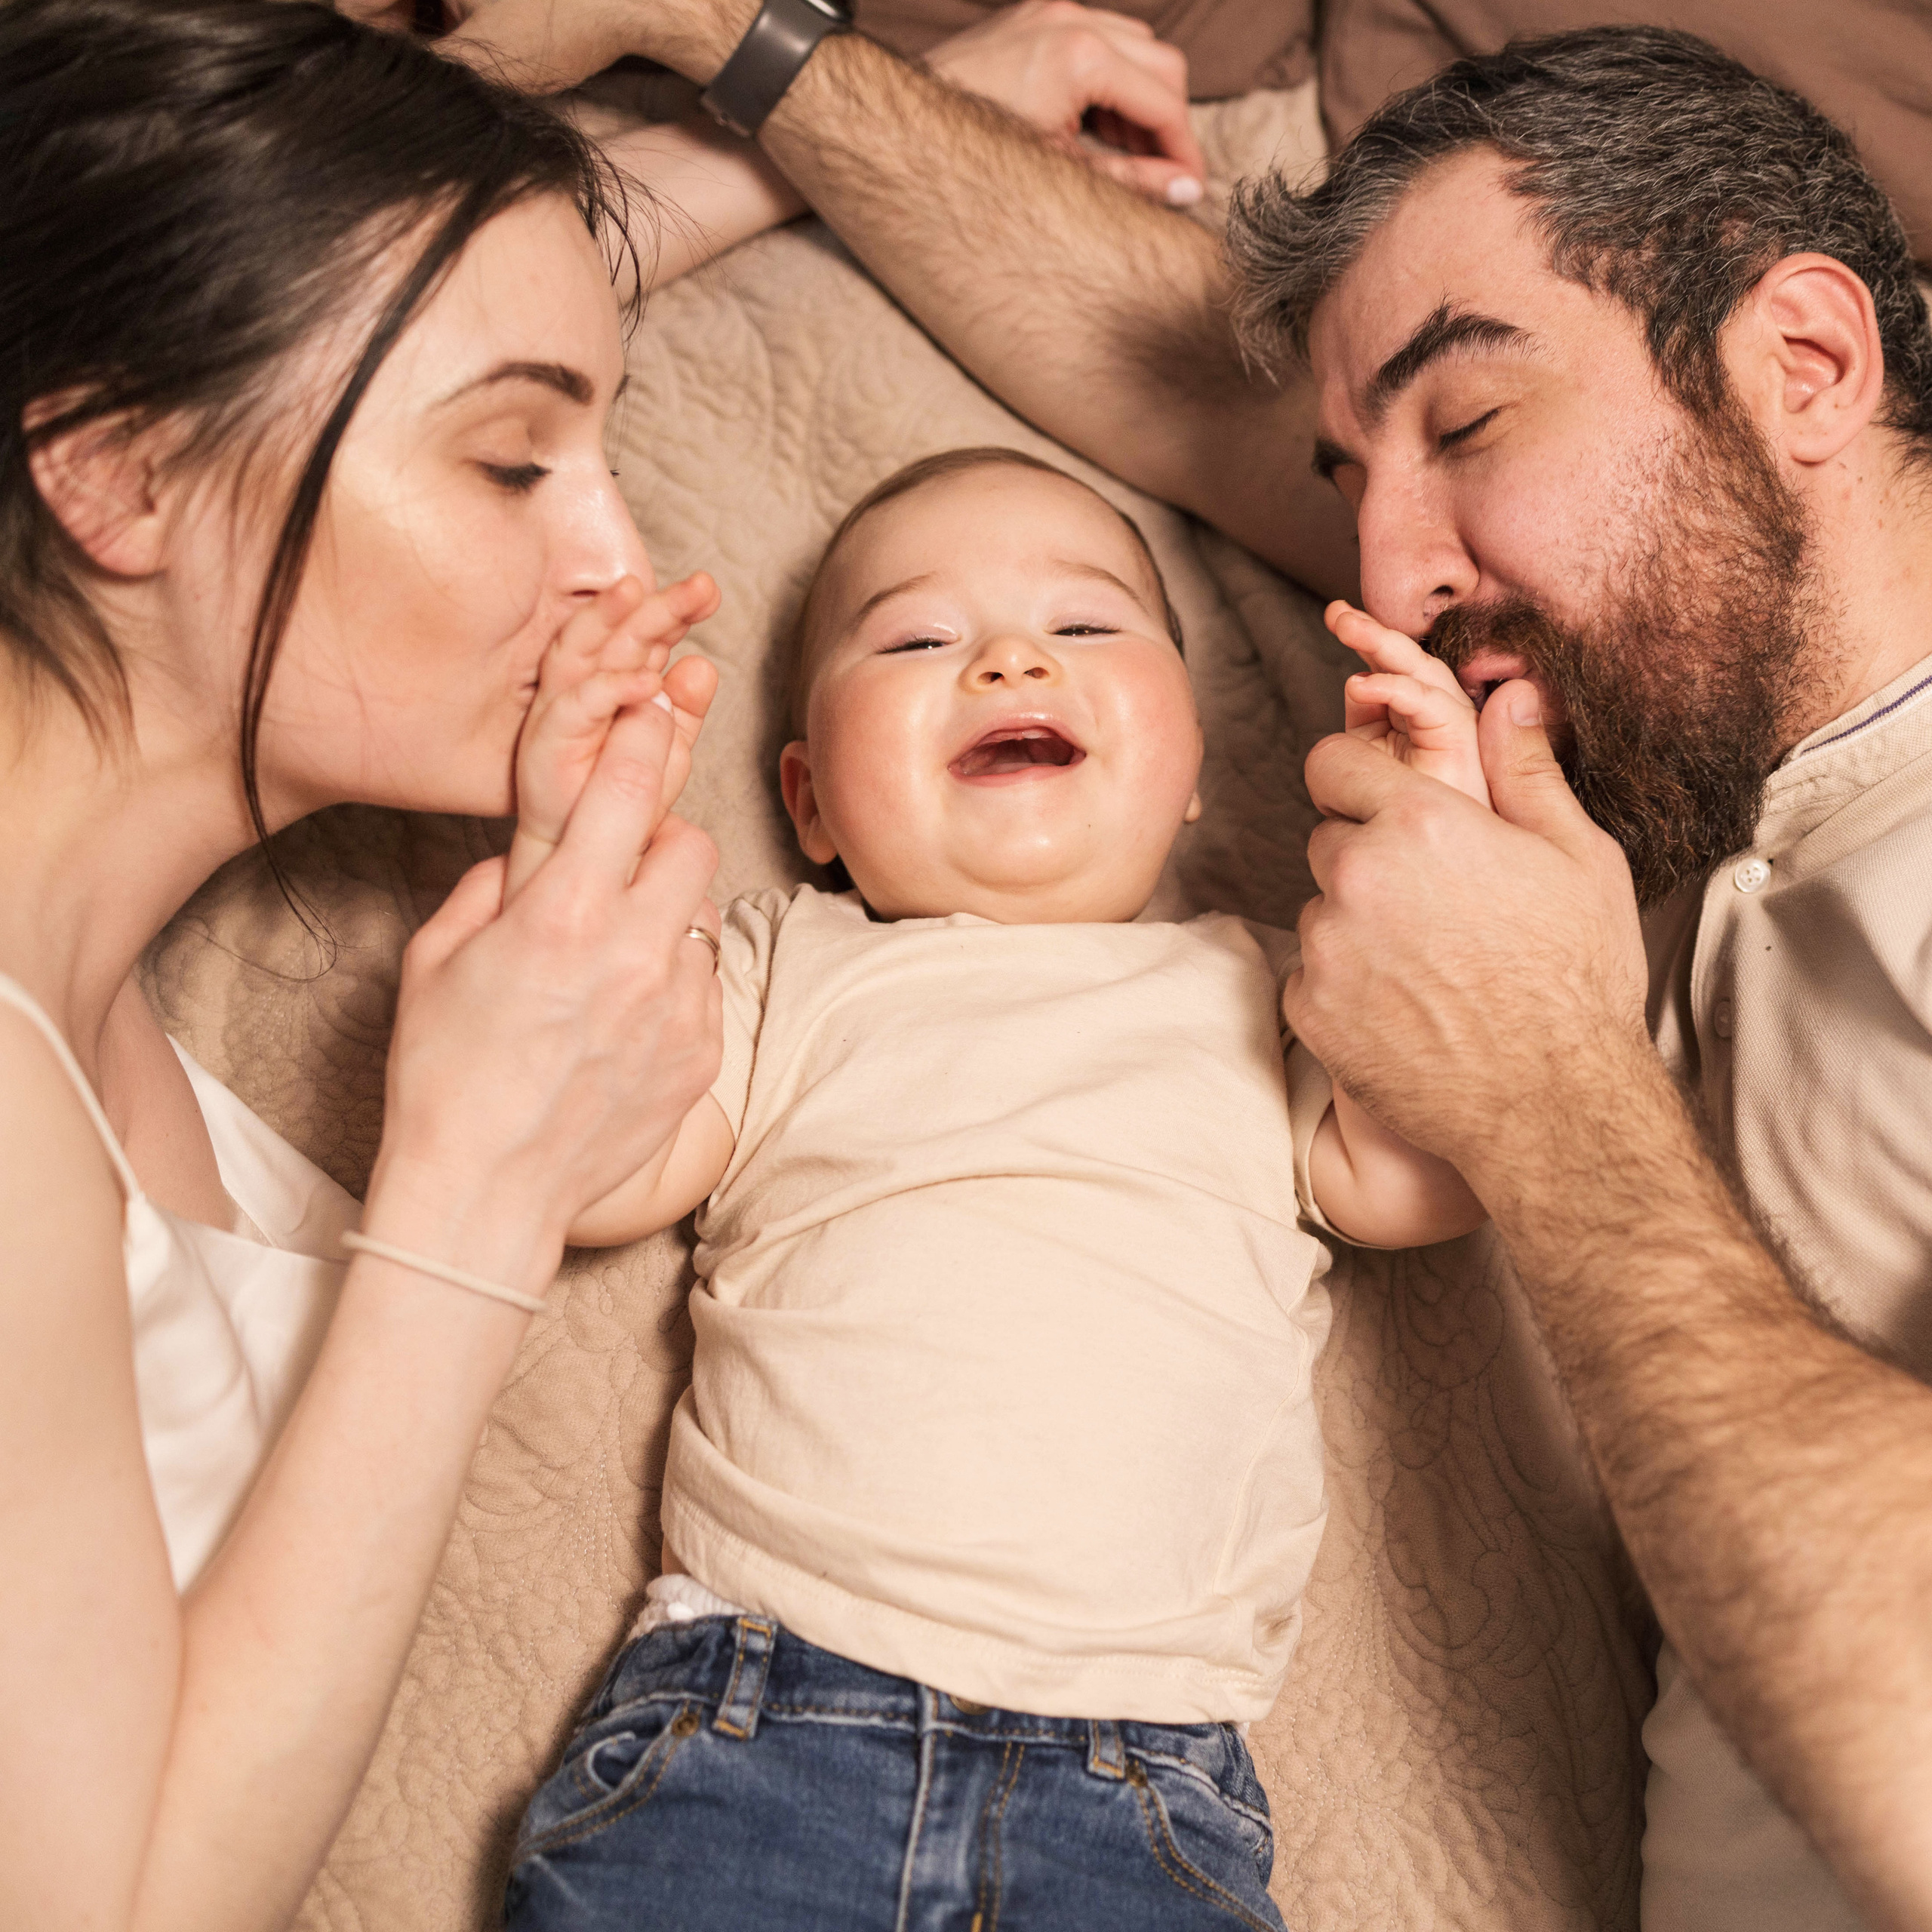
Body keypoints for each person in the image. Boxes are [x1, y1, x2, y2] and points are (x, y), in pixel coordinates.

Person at [430, 5, 1932, 1927]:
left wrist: (1545, 1079)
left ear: (1805, 360)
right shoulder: (1648, 760)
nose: (1378, 580)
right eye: (1350, 477)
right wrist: (737, 40)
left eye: (1466, 424)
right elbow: (1162, 372)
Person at [496, 447, 1491, 1929]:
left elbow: (1420, 1182)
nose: (1009, 656)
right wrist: (560, 841)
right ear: (810, 798)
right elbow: (585, 1168)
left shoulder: (1276, 984)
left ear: (1198, 763)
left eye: (1084, 627)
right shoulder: (782, 965)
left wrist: (1438, 852)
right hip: (760, 1720)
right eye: (914, 638)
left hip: (1137, 1775)